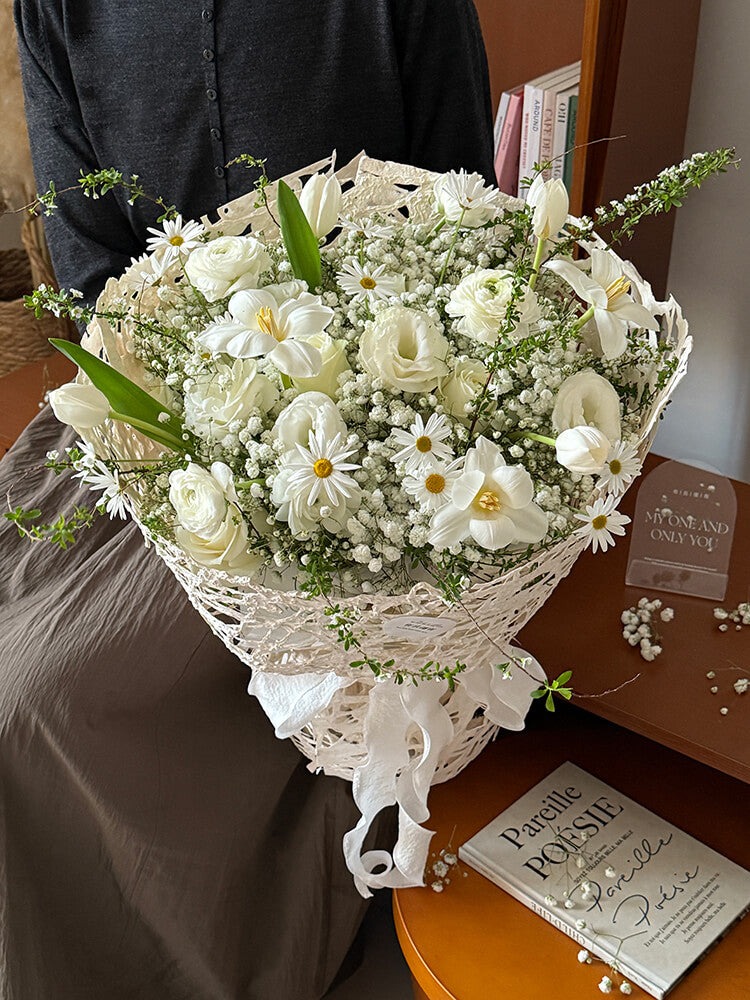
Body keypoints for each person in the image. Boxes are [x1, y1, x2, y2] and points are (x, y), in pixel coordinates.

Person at [1, 2, 494, 997]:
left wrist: (311, 409)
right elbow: (92, 252)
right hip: (144, 409)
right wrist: (187, 411)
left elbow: (466, 227)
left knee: (34, 697)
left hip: (353, 445)